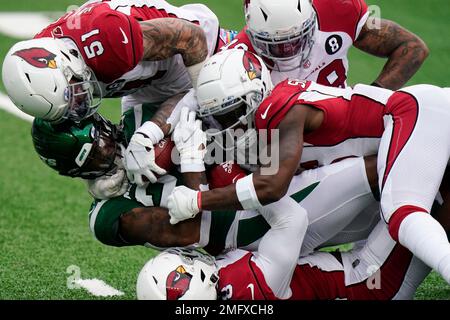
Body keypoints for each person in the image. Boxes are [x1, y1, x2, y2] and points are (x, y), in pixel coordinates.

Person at [167, 48, 450, 285]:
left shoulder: (278, 111)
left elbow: (271, 187)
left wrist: (197, 200)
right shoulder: (267, 124)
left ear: (255, 97)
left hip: (411, 115)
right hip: (416, 124)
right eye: (216, 119)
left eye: (230, 114)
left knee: (400, 212)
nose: (225, 126)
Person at [31, 105, 381, 256]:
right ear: (74, 170)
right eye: (96, 152)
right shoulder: (107, 217)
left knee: (385, 182)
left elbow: (184, 94)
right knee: (377, 169)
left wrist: (160, 130)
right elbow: (186, 230)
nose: (110, 147)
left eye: (104, 133)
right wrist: (192, 156)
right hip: (251, 226)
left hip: (256, 175)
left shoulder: (136, 134)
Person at [1, 0, 237, 189]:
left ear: (66, 63)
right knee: (140, 166)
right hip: (145, 84)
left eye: (75, 91)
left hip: (199, 55)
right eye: (70, 105)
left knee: (226, 126)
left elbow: (192, 38)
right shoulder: (45, 70)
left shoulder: (105, 37)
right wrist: (97, 171)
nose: (79, 106)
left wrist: (204, 102)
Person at [222, 0, 429, 90]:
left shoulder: (338, 8)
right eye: (278, 45)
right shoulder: (235, 60)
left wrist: (371, 97)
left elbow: (413, 48)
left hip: (346, 130)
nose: (290, 50)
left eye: (297, 39)